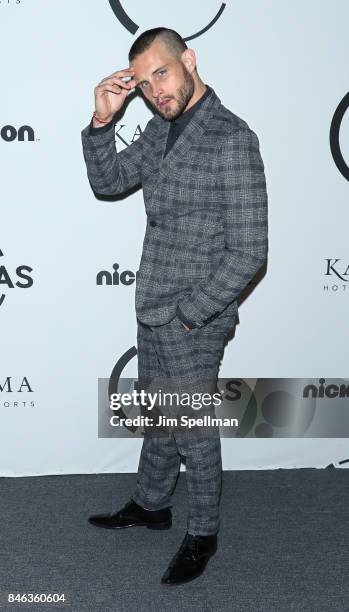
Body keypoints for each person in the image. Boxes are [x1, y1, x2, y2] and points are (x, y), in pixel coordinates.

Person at [81, 27, 268, 586]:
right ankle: (151, 503)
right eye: (142, 84)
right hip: (153, 303)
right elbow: (109, 181)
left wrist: (194, 312)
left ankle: (203, 533)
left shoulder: (232, 138)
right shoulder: (161, 130)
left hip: (196, 315)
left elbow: (250, 249)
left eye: (161, 73)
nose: (155, 91)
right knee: (159, 412)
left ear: (189, 59)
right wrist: (102, 122)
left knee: (192, 426)